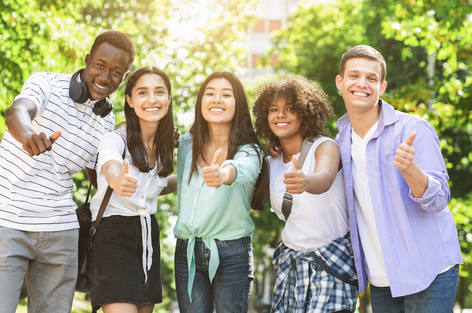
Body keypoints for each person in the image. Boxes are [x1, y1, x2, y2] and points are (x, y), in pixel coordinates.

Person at [0, 31, 136, 313]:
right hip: (6, 221)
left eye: (115, 72)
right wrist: (29, 135)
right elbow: (17, 113)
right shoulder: (45, 82)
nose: (104, 77)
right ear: (87, 61)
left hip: (60, 232)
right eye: (99, 66)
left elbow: (98, 175)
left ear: (124, 78)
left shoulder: (106, 119)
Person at [335, 45, 463, 312]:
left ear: (382, 87)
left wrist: (410, 171)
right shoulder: (341, 140)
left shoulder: (413, 129)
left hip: (429, 271)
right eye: (354, 76)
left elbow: (439, 200)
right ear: (340, 82)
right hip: (383, 279)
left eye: (371, 78)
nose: (362, 84)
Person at [253, 76, 358, 313]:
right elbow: (250, 200)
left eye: (290, 109)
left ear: (305, 113)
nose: (280, 115)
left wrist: (306, 181)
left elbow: (325, 178)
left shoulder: (325, 146)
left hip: (331, 265)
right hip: (291, 265)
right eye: (273, 109)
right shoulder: (271, 163)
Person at [174, 71, 265, 312]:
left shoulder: (250, 150)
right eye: (210, 93)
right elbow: (183, 186)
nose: (217, 99)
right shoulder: (186, 144)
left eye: (226, 95)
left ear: (238, 105)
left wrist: (223, 174)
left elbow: (242, 169)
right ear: (200, 102)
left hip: (232, 252)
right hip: (188, 250)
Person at [88, 66, 175, 313]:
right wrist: (116, 179)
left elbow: (157, 186)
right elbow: (110, 163)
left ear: (168, 98)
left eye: (159, 92)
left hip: (148, 234)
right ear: (130, 100)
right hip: (112, 236)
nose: (152, 99)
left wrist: (195, 177)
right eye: (143, 92)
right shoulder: (115, 139)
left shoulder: (166, 146)